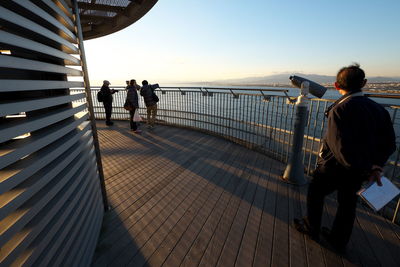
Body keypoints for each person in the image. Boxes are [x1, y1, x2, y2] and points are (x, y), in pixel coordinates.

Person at [293, 64, 396, 253]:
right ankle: (338, 240)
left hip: (333, 168)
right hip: (360, 171)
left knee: (316, 194)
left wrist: (362, 166)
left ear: (335, 85)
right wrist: (374, 167)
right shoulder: (379, 110)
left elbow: (339, 147)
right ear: (363, 83)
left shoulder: (339, 109)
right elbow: (389, 144)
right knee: (347, 205)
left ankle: (311, 228)